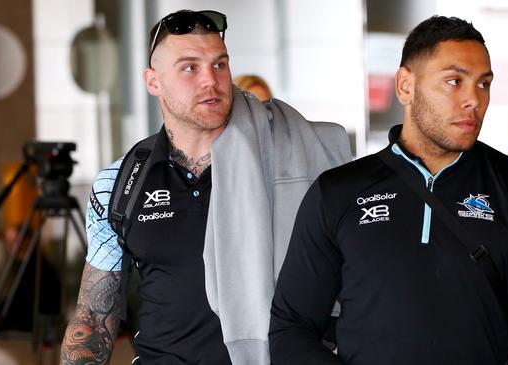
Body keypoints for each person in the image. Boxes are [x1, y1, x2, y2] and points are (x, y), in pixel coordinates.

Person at [269, 15, 508, 365]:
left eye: (483, 84)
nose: (474, 99)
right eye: (454, 81)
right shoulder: (337, 192)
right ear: (405, 86)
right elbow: (291, 329)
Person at [60, 9, 350, 365]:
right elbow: (92, 314)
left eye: (219, 64)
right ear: (153, 82)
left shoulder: (286, 156)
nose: (210, 80)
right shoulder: (119, 182)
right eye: (189, 67)